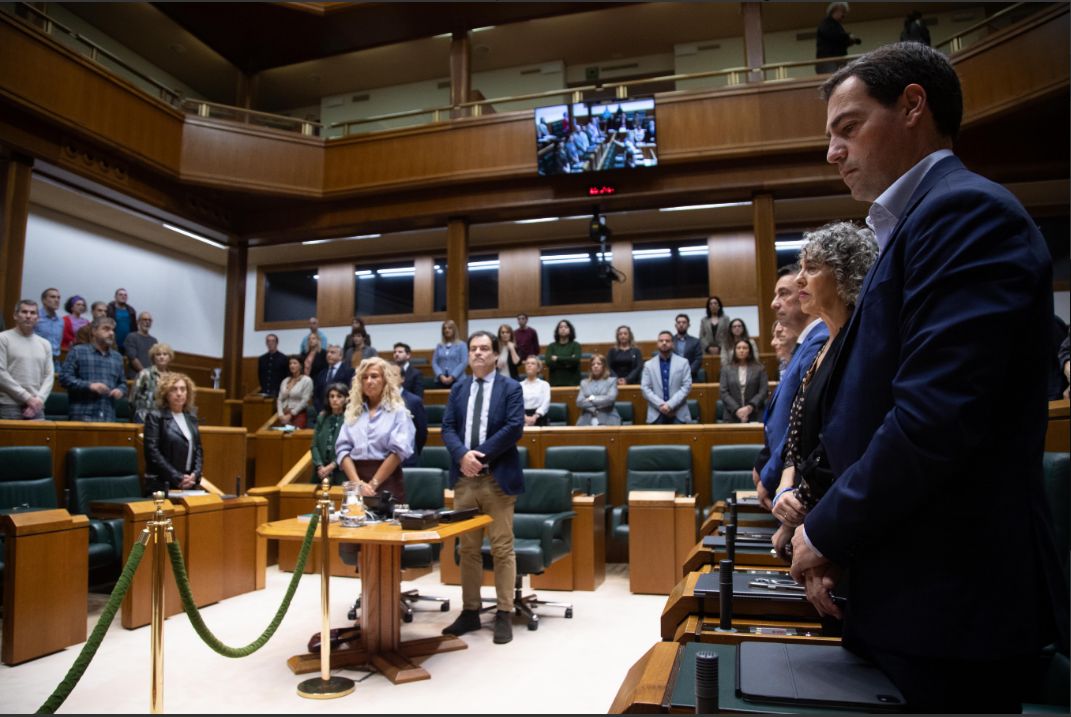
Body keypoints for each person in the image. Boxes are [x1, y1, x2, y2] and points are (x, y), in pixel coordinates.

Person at [788, 43, 1068, 711]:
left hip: (952, 596)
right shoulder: (910, 227)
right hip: (904, 583)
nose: (832, 151)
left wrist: (828, 529)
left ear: (913, 105)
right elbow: (864, 404)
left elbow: (933, 417)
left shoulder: (966, 212)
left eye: (847, 127)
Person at [768, 223, 877, 556]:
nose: (800, 278)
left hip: (833, 522)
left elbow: (840, 447)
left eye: (811, 268)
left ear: (846, 276)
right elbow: (797, 439)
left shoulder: (859, 345)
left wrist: (796, 514)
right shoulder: (819, 349)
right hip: (804, 510)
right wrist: (783, 492)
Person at [440, 331, 525, 645]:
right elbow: (447, 427)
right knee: (468, 550)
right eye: (473, 349)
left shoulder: (511, 387)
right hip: (464, 481)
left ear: (495, 355)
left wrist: (480, 456)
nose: (477, 353)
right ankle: (471, 611)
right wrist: (463, 455)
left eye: (484, 348)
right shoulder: (459, 388)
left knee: (502, 548)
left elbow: (514, 427)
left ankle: (504, 611)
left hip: (496, 478)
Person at [752, 264, 828, 506]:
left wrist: (770, 473)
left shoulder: (819, 342)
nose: (774, 303)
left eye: (784, 293)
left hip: (794, 485)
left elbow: (800, 422)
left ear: (805, 292)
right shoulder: (804, 346)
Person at [336, 356, 416, 505]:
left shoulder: (398, 412)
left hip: (387, 481)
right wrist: (358, 485)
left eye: (374, 376)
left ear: (385, 380)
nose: (369, 381)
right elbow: (342, 449)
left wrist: (372, 485)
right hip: (355, 482)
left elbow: (398, 452)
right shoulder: (353, 412)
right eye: (364, 377)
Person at [143, 372, 203, 496]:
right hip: (162, 484)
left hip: (188, 483)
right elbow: (152, 452)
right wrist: (177, 476)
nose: (179, 393)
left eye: (183, 389)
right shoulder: (156, 417)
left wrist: (195, 474)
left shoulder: (191, 418)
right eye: (174, 389)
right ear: (165, 393)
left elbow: (198, 450)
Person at [59, 316, 126, 422]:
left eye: (113, 330)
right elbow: (64, 378)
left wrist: (120, 390)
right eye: (106, 329)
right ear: (94, 331)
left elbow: (122, 383)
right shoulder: (78, 351)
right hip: (82, 416)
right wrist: (89, 386)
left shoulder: (117, 357)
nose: (111, 333)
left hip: (108, 417)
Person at [0, 299, 53, 420]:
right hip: (9, 405)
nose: (28, 316)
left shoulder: (45, 344)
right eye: (24, 312)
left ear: (38, 318)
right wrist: (27, 398)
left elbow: (49, 376)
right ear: (15, 315)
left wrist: (39, 399)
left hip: (37, 406)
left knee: (39, 439)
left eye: (33, 313)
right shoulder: (3, 338)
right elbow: (1, 373)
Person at [640, 330, 692, 425]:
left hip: (678, 412)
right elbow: (645, 388)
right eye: (661, 340)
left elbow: (686, 386)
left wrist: (670, 405)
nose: (664, 343)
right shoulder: (648, 365)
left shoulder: (683, 362)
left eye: (667, 341)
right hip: (656, 413)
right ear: (657, 344)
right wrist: (661, 405)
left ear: (672, 344)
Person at [719, 339, 769, 424]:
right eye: (738, 348)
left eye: (745, 348)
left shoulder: (759, 369)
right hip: (732, 415)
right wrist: (737, 410)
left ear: (750, 351)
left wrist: (749, 407)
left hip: (755, 414)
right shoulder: (726, 369)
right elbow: (723, 392)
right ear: (734, 351)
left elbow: (763, 391)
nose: (741, 350)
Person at [311, 382, 349, 485]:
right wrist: (320, 466)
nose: (334, 399)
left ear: (346, 399)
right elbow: (314, 445)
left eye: (339, 396)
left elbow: (349, 448)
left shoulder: (349, 419)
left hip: (340, 471)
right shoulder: (322, 417)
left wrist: (331, 466)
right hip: (320, 471)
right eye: (331, 396)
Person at [130, 341, 173, 424]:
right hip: (144, 417)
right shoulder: (144, 374)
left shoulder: (173, 378)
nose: (162, 357)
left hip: (165, 419)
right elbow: (133, 398)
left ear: (170, 357)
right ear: (153, 358)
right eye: (158, 354)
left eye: (165, 354)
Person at [815, 2, 860, 75]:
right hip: (829, 61)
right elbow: (833, 35)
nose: (844, 15)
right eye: (843, 12)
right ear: (835, 10)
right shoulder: (826, 23)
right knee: (834, 81)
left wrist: (849, 41)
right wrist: (848, 36)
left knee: (840, 80)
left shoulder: (836, 26)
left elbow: (837, 41)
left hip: (837, 61)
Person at [576, 354, 620, 426]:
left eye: (599, 364)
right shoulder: (584, 383)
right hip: (587, 418)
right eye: (593, 364)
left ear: (604, 367)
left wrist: (591, 398)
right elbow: (579, 402)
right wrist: (595, 408)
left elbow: (610, 399)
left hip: (608, 417)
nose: (595, 366)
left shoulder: (611, 381)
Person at [312, 344, 354, 416]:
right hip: (323, 413)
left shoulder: (349, 371)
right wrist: (320, 410)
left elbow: (351, 393)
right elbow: (316, 395)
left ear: (340, 356)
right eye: (327, 352)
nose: (328, 355)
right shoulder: (322, 373)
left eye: (332, 352)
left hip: (343, 413)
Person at [276, 355, 313, 428]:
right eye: (290, 363)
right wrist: (280, 414)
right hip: (284, 414)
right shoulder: (285, 380)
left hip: (298, 414)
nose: (292, 365)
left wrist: (291, 414)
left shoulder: (307, 380)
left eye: (295, 363)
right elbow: (279, 399)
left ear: (301, 365)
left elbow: (305, 400)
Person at [544, 319, 581, 386]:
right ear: (557, 330)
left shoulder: (576, 345)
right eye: (561, 327)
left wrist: (557, 359)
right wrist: (569, 361)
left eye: (566, 327)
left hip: (573, 383)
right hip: (555, 382)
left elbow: (576, 360)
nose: (563, 329)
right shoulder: (551, 346)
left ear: (570, 330)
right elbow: (548, 362)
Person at [432, 319, 466, 389]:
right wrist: (440, 375)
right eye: (445, 328)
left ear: (454, 330)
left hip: (458, 380)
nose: (447, 330)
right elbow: (434, 362)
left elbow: (463, 362)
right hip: (441, 380)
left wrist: (452, 376)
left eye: (449, 328)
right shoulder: (439, 345)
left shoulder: (461, 345)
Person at [124, 311, 157, 379]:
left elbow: (155, 360)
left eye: (149, 320)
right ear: (138, 321)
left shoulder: (154, 341)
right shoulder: (131, 337)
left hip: (150, 378)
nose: (147, 322)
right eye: (145, 319)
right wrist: (145, 373)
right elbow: (132, 358)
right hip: (135, 377)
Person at [519, 355, 550, 427]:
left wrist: (535, 416)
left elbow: (545, 403)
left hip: (540, 417)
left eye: (533, 363)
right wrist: (525, 417)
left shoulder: (544, 385)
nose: (529, 365)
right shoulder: (519, 385)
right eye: (527, 363)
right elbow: (517, 404)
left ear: (538, 369)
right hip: (522, 417)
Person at [33, 287, 63, 361]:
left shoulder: (60, 321)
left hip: (55, 360)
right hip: (37, 358)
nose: (56, 300)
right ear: (44, 300)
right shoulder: (34, 317)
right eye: (53, 297)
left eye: (58, 298)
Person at [672, 313, 703, 381]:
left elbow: (698, 359)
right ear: (675, 325)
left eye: (684, 322)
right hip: (672, 376)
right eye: (679, 322)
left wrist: (687, 372)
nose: (681, 324)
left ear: (688, 325)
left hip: (691, 376)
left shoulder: (695, 341)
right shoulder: (670, 341)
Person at [106, 288, 137, 353]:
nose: (123, 296)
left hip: (127, 345)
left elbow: (134, 328)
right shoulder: (109, 309)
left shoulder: (131, 311)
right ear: (115, 297)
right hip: (112, 343)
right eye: (120, 294)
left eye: (125, 295)